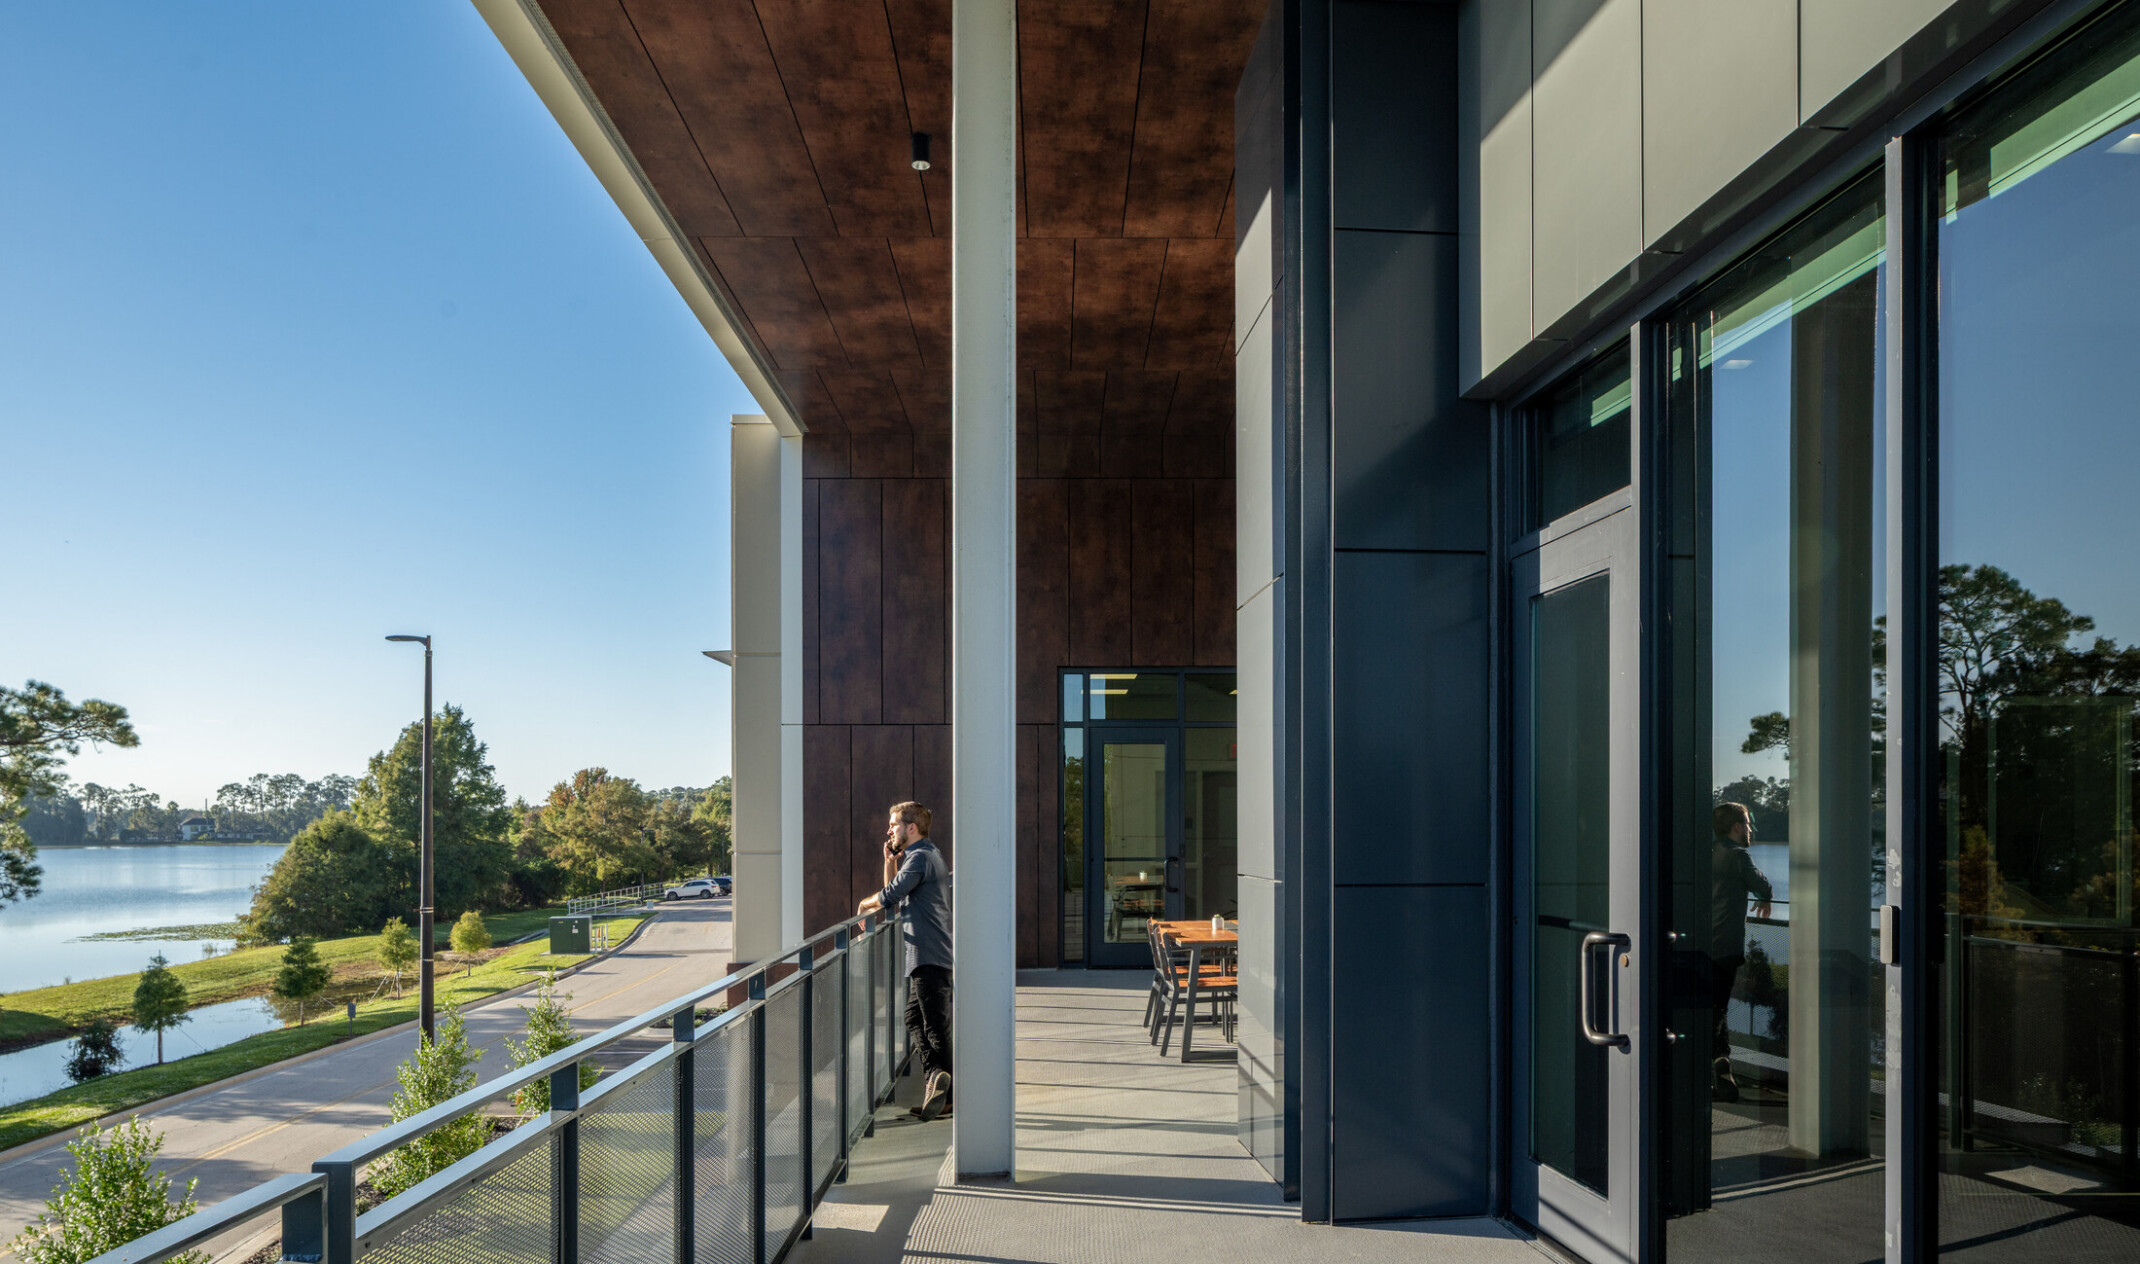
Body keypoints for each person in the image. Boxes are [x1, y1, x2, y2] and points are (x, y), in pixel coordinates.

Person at [857, 800, 953, 1121]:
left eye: (894, 824)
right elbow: (895, 891)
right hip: (926, 954)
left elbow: (888, 897)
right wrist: (889, 862)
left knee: (935, 1027)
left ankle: (943, 1093)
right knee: (914, 1018)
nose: (890, 830)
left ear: (911, 828)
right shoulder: (922, 857)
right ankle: (935, 1082)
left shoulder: (921, 858)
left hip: (929, 954)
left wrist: (862, 904)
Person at [1709, 801, 1773, 1103]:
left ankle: (1717, 1067)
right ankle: (1720, 1068)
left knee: (1709, 1009)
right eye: (1748, 824)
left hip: (1700, 946)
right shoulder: (1737, 855)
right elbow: (1762, 885)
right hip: (1723, 948)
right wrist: (1766, 897)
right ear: (1736, 827)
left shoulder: (1707, 852)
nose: (1750, 830)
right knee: (1718, 1010)